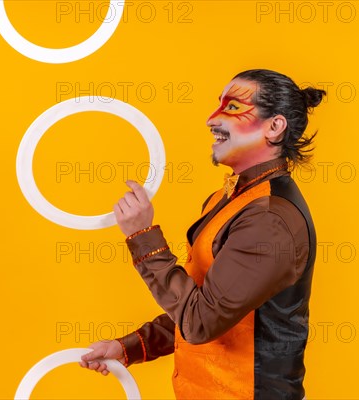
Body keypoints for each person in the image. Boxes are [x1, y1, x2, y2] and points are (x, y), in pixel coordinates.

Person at [78, 69, 326, 399]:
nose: (212, 119)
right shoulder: (230, 199)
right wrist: (129, 348)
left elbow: (199, 321)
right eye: (218, 105)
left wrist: (143, 236)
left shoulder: (269, 220)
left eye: (234, 108)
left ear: (275, 126)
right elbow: (204, 301)